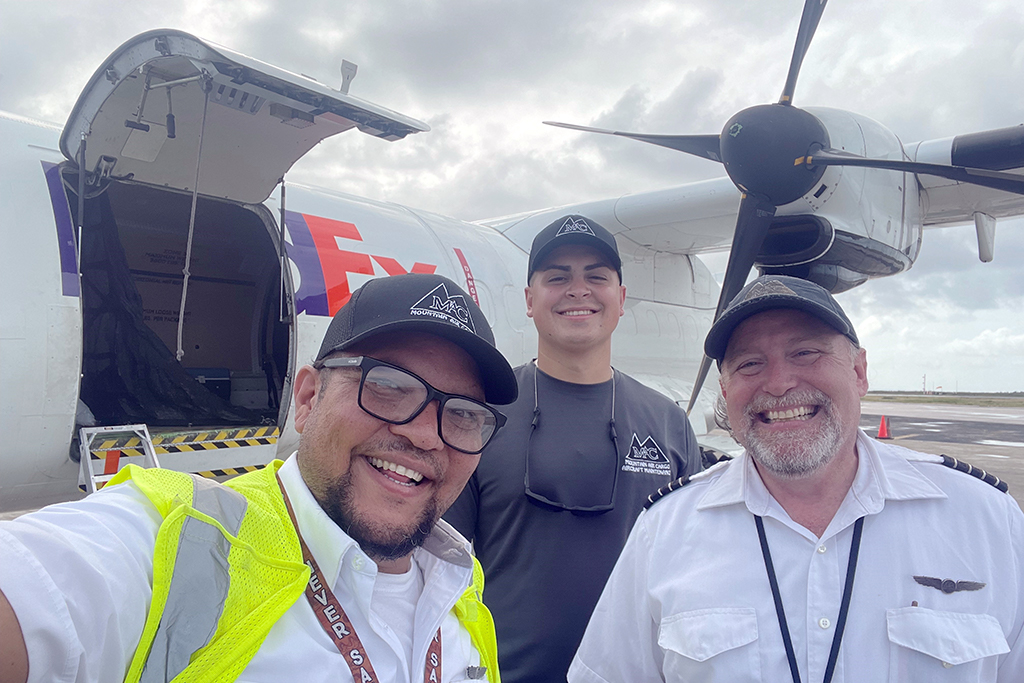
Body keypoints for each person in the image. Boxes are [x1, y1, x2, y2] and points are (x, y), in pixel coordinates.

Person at [0, 272, 518, 683]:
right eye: (387, 385)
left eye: (464, 414)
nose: (428, 436)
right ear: (309, 397)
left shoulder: (458, 588)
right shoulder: (181, 543)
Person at [570, 274, 1024, 682]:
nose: (780, 382)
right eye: (749, 363)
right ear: (725, 391)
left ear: (860, 371)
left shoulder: (986, 521)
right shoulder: (665, 530)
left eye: (805, 352)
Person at [444, 215, 702, 683]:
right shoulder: (479, 418)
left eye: (596, 276)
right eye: (557, 276)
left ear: (621, 299)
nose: (577, 289)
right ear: (529, 299)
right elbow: (442, 570)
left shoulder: (668, 423)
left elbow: (693, 571)